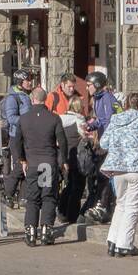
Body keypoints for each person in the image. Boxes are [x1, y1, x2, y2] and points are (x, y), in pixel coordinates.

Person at [99, 92, 138, 258]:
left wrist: (117, 148)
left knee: (121, 204)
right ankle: (124, 245)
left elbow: (103, 142)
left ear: (125, 104)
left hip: (118, 168)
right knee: (133, 207)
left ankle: (113, 241)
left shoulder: (115, 121)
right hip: (137, 167)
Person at [11, 87, 68, 247]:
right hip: (47, 163)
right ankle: (46, 229)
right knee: (48, 196)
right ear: (45, 100)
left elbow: (17, 142)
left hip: (32, 162)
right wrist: (63, 160)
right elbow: (62, 142)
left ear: (32, 99)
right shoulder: (54, 118)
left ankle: (30, 231)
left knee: (32, 198)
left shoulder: (24, 119)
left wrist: (21, 159)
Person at [82, 72, 118, 223]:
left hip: (110, 143)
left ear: (96, 85)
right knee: (101, 174)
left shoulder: (107, 98)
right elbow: (101, 121)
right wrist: (90, 126)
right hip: (104, 141)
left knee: (105, 175)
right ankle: (104, 205)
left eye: (89, 85)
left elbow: (110, 122)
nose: (87, 88)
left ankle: (103, 206)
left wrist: (107, 142)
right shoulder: (97, 99)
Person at [1, 68, 35, 208]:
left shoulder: (26, 95)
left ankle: (24, 197)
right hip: (17, 136)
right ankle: (7, 194)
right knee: (20, 166)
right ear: (20, 82)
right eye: (28, 80)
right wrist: (28, 120)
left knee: (29, 165)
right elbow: (11, 118)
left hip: (29, 135)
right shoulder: (12, 97)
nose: (30, 82)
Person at [57, 96, 88, 224]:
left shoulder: (60, 119)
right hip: (76, 158)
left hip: (63, 157)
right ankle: (72, 214)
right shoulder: (79, 120)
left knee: (68, 185)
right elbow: (85, 137)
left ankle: (62, 210)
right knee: (77, 186)